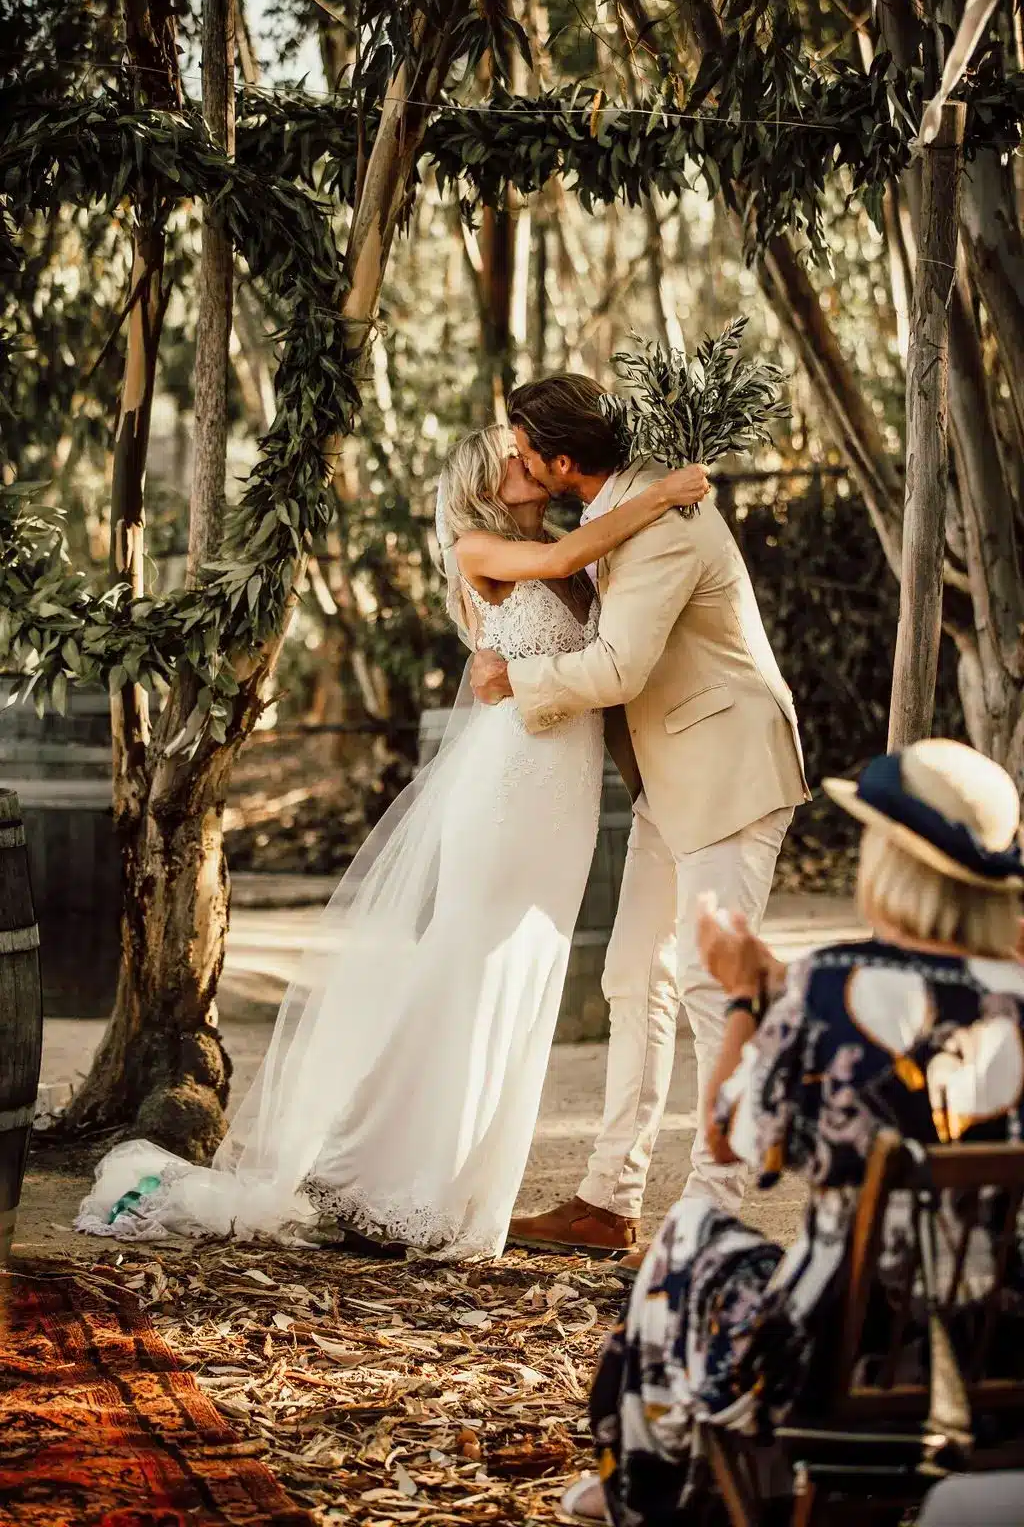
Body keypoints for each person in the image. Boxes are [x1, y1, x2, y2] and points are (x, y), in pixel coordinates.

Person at [75, 427, 709, 1260]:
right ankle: (378, 1176)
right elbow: (563, 564)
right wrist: (662, 493)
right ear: (482, 483)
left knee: (519, 976)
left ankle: (455, 1184)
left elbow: (602, 622)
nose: (527, 462)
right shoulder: (478, 547)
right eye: (512, 457)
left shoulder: (561, 545)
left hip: (563, 795)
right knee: (465, 969)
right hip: (508, 788)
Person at [563, 738, 1024, 1525]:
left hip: (836, 1365)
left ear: (889, 864)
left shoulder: (828, 988)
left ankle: (648, 1482)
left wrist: (747, 995)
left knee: (692, 1236)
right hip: (1002, 1359)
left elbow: (728, 1137)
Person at [471, 374, 809, 1260]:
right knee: (632, 976)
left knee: (708, 985)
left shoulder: (663, 523)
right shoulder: (620, 511)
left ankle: (714, 1210)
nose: (517, 461)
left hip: (728, 771)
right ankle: (607, 1200)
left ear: (563, 462)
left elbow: (619, 667)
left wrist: (515, 680)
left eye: (524, 449)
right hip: (672, 780)